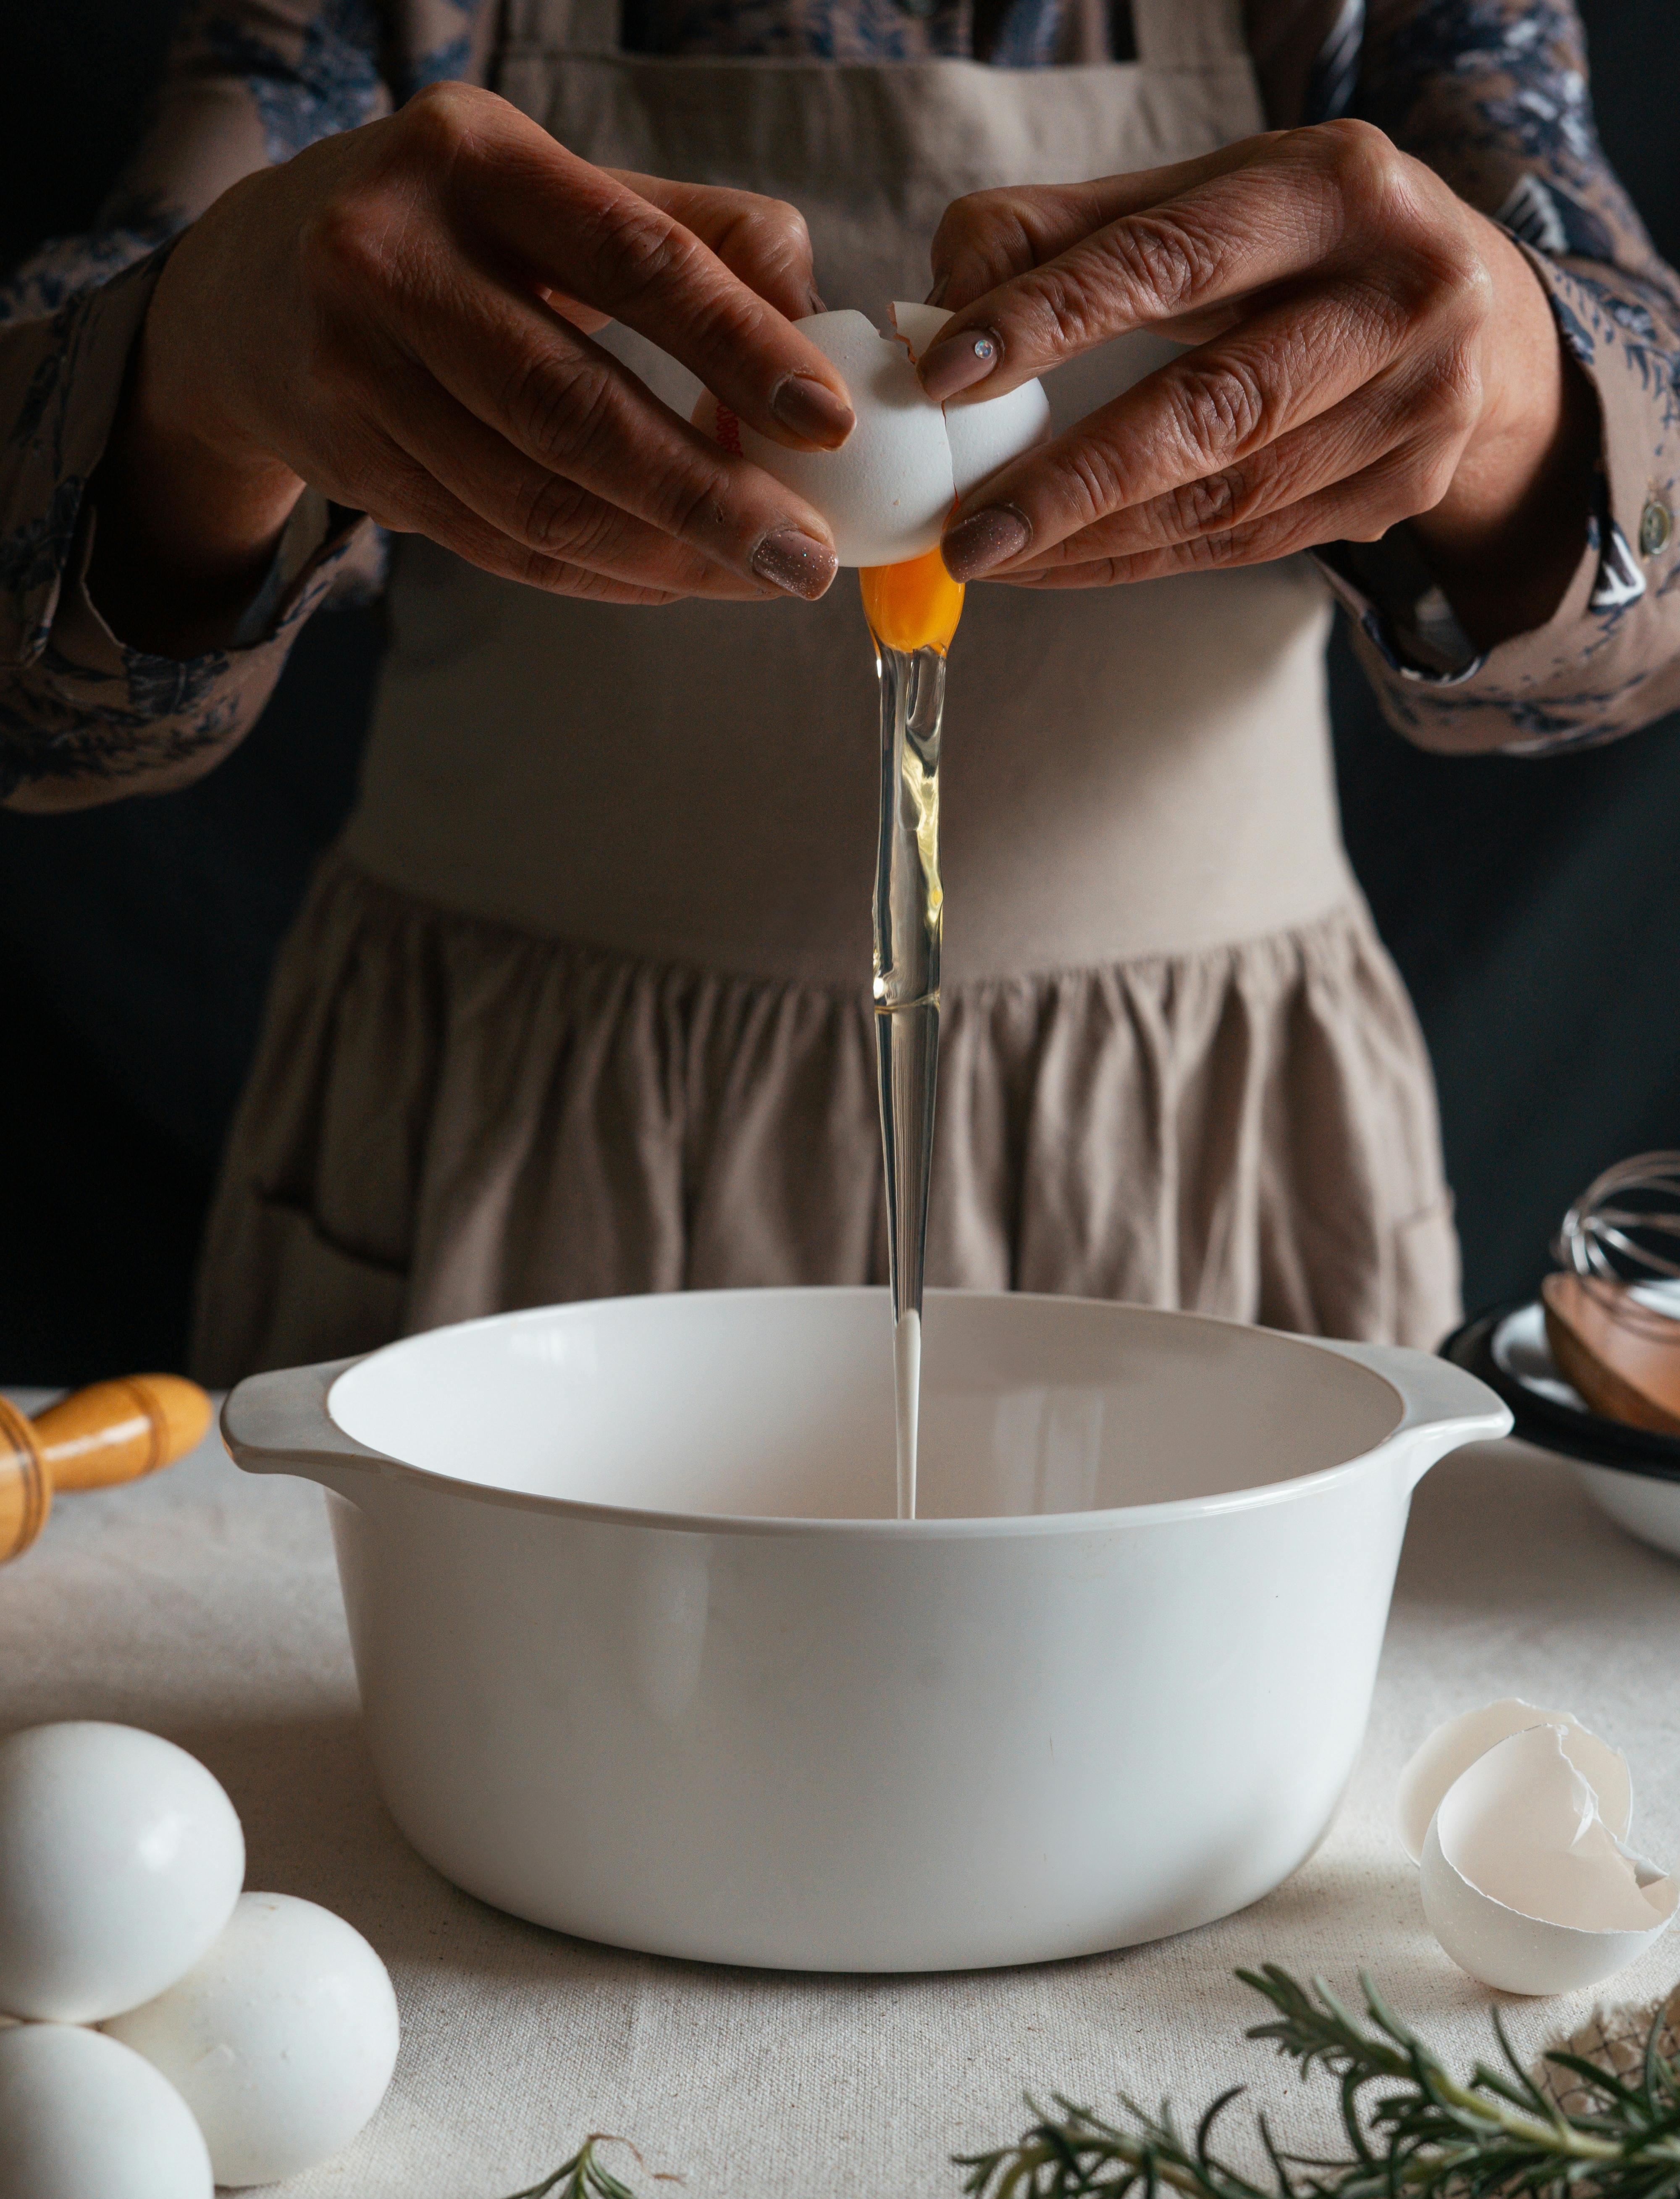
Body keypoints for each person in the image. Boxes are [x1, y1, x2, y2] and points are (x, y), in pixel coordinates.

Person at [2, 0, 1677, 1381]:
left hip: (1189, 1173)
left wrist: (1515, 395)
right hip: (510, 1170)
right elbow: (36, 706)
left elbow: (1641, 631)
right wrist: (196, 365)